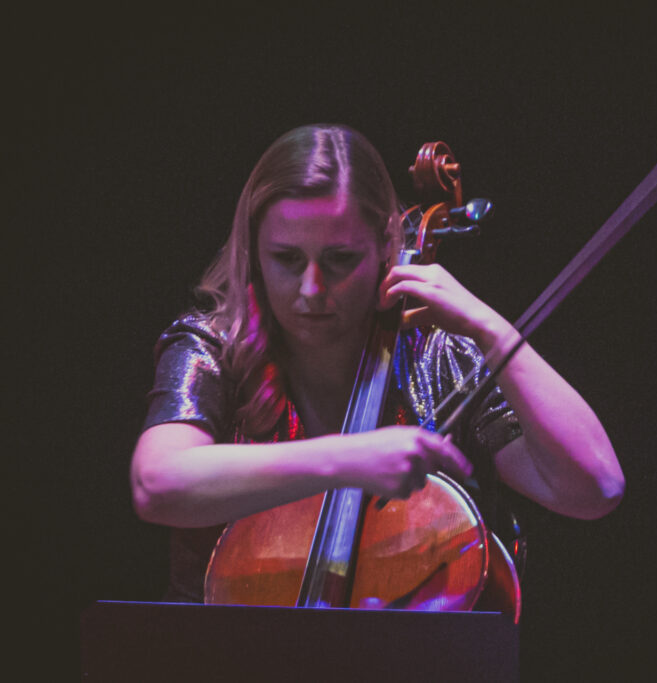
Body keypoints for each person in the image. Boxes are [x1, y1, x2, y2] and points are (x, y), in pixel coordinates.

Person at [130, 123, 624, 603]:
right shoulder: (216, 346)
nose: (311, 289)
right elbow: (157, 484)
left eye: (340, 260)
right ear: (253, 251)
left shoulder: (437, 360)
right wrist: (350, 459)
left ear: (388, 244)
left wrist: (491, 330)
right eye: (286, 259)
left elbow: (595, 486)